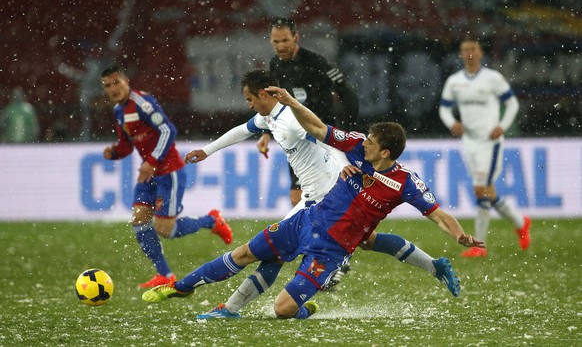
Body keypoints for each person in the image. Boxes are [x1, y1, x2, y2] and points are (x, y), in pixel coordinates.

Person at [142, 84, 484, 320]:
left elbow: (438, 215)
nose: (363, 144)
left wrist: (460, 237)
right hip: (306, 219)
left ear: (386, 152)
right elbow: (320, 128)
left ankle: (432, 266)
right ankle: (183, 288)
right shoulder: (355, 145)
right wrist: (291, 101)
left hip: (331, 249)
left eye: (371, 143)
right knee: (245, 252)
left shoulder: (405, 182)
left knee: (283, 309)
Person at [100, 64, 234, 288]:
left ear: (126, 82)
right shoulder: (118, 112)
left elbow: (168, 130)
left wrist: (152, 161)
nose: (113, 88)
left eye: (116, 82)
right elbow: (126, 145)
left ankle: (211, 220)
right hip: (149, 172)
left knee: (166, 230)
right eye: (107, 85)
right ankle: (165, 274)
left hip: (168, 171)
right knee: (139, 219)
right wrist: (114, 153)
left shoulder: (143, 103)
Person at [438, 38, 531, 258]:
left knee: (481, 190)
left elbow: (512, 104)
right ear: (461, 54)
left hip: (490, 142)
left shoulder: (493, 78)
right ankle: (521, 221)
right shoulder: (455, 81)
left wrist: (502, 126)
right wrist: (453, 123)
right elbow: (444, 109)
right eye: (465, 50)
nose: (469, 53)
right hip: (469, 142)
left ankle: (479, 246)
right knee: (487, 191)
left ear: (480, 53)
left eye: (473, 49)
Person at [258, 17, 360, 207]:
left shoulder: (316, 62)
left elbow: (346, 92)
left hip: (322, 136)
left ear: (296, 37)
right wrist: (265, 132)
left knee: (325, 198)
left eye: (285, 40)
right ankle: (315, 234)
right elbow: (273, 102)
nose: (280, 46)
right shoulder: (275, 65)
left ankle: (332, 233)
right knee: (297, 200)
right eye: (276, 41)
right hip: (296, 137)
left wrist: (347, 128)